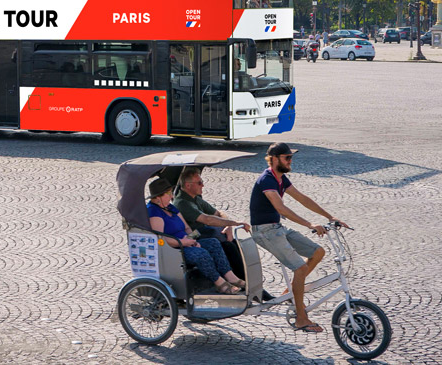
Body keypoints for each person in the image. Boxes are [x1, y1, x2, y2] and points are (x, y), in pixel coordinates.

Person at [249, 142, 348, 333]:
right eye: (287, 158)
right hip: (264, 231)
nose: (290, 160)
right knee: (300, 268)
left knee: (318, 252)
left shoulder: (281, 179)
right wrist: (310, 224)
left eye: (291, 157)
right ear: (275, 159)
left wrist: (329, 216)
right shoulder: (267, 180)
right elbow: (280, 208)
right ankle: (301, 319)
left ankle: (292, 289)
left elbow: (303, 199)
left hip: (277, 228)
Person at [147, 178, 245, 295]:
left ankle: (231, 276)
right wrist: (184, 243)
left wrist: (192, 239)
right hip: (173, 249)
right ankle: (219, 283)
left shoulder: (170, 207)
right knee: (201, 254)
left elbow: (187, 227)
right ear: (158, 197)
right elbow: (161, 239)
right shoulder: (154, 212)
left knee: (213, 242)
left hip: (186, 242)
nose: (172, 196)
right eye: (168, 193)